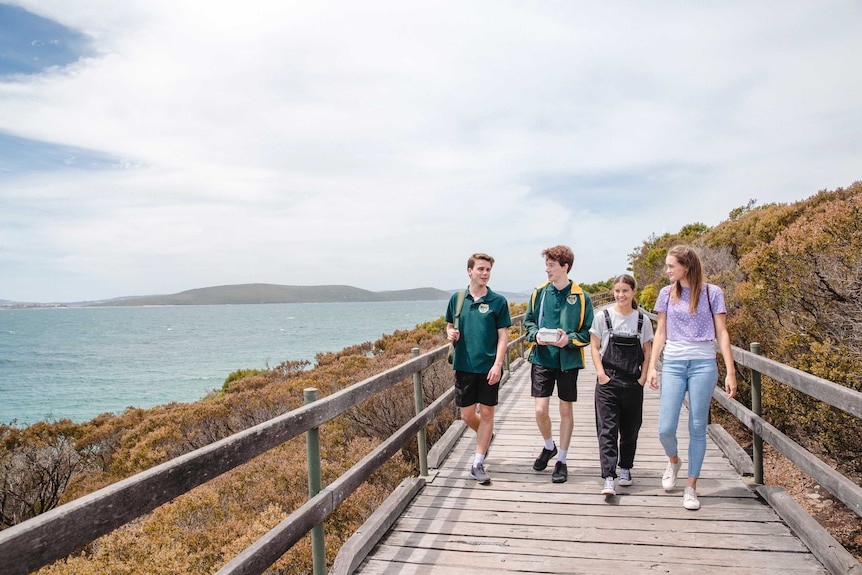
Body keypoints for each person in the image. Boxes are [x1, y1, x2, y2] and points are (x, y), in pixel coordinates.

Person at [646, 245, 737, 510]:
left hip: (703, 363)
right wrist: (653, 366)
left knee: (698, 427)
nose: (667, 270)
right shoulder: (666, 293)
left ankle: (691, 486)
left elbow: (722, 333)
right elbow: (660, 332)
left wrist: (730, 371)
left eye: (671, 265)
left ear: (686, 266)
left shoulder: (712, 293)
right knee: (665, 428)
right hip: (673, 363)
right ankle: (674, 461)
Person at [523, 245, 594, 483]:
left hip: (568, 361)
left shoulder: (582, 297)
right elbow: (528, 322)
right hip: (542, 358)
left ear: (565, 267)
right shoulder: (539, 293)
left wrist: (569, 340)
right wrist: (536, 336)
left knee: (565, 411)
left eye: (551, 265)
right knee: (540, 410)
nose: (547, 270)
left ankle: (561, 460)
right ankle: (548, 445)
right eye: (546, 265)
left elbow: (588, 332)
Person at [446, 252, 512, 485]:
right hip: (464, 365)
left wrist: (497, 365)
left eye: (488, 270)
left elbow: (503, 336)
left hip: (489, 368)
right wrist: (450, 333)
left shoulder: (498, 301)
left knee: (486, 414)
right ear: (470, 271)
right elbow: (449, 324)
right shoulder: (458, 298)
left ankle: (478, 462)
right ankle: (486, 435)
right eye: (481, 269)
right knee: (466, 415)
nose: (485, 273)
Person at [590, 274, 653, 496]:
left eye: (625, 291)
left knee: (631, 429)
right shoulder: (603, 316)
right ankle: (609, 476)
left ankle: (625, 467)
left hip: (632, 381)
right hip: (608, 382)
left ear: (634, 292)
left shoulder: (642, 320)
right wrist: (600, 374)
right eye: (617, 291)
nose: (620, 295)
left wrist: (643, 378)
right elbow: (594, 347)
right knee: (607, 430)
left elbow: (647, 351)